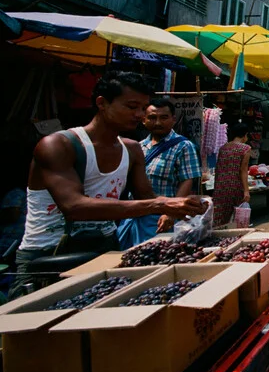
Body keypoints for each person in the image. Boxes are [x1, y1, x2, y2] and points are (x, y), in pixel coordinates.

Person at [17, 72, 204, 294]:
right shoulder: (58, 145)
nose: (139, 115)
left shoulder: (131, 149)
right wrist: (161, 205)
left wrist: (183, 204)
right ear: (102, 103)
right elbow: (74, 207)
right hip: (49, 255)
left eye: (143, 108)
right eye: (132, 106)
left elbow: (147, 197)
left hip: (105, 248)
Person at [118, 96, 202, 249]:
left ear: (173, 119)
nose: (158, 122)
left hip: (161, 218)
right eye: (152, 117)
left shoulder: (183, 146)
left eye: (164, 118)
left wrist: (171, 213)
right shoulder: (138, 147)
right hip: (136, 215)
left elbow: (187, 181)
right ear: (144, 120)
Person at [212, 121, 252, 227]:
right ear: (245, 135)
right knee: (238, 217)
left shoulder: (223, 148)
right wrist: (246, 191)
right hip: (235, 186)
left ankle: (218, 236)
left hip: (220, 186)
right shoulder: (245, 148)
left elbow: (219, 168)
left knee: (220, 217)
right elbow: (243, 170)